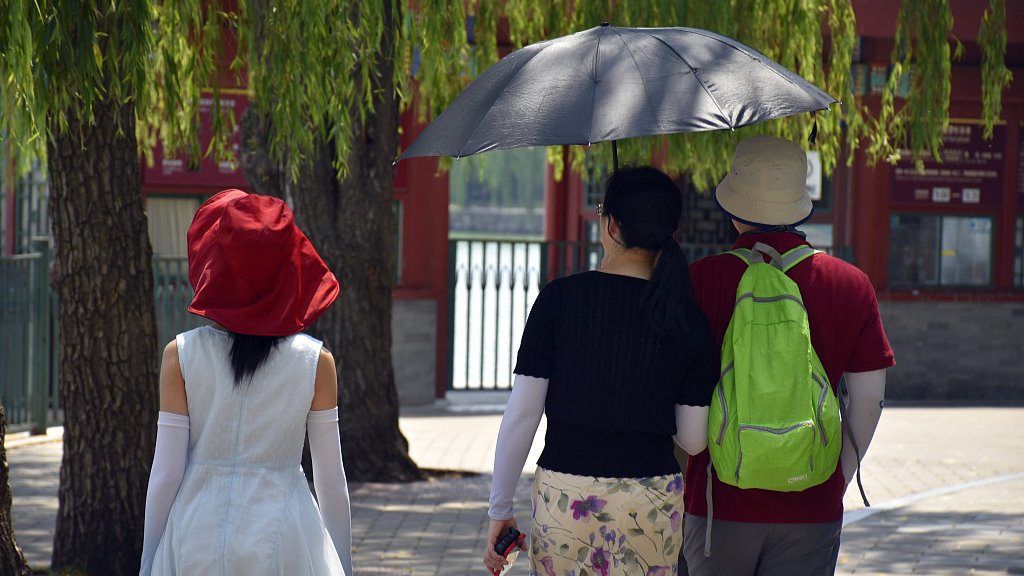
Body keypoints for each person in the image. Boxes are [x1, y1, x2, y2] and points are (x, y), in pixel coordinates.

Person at [483, 166, 720, 576]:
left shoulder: (559, 300)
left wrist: (500, 508)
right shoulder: (688, 318)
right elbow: (694, 440)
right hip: (651, 502)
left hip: (566, 499)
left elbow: (523, 413)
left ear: (611, 224)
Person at [681, 135, 894, 575]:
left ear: (733, 206)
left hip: (717, 503)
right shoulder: (850, 284)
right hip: (810, 505)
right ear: (800, 202)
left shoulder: (699, 280)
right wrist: (834, 478)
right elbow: (869, 401)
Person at [139, 190, 352, 576]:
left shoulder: (180, 355)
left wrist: (148, 560)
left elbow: (167, 472)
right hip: (285, 534)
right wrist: (344, 565)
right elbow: (330, 481)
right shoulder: (315, 363)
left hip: (193, 533)